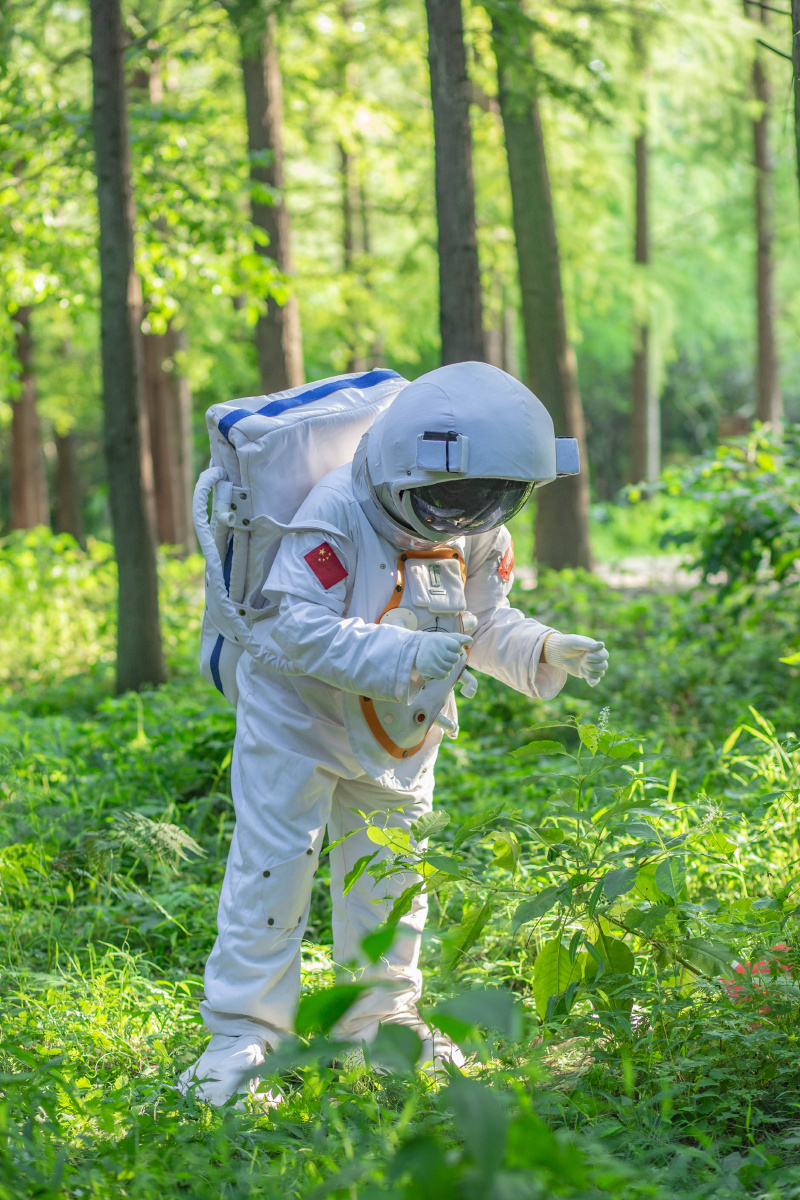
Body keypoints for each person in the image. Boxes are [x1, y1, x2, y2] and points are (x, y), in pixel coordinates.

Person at [178, 362, 608, 1106]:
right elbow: (296, 626)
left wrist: (540, 647)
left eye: (488, 503)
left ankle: (380, 1021)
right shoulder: (337, 511)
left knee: (392, 878)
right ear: (405, 470)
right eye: (451, 502)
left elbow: (483, 620)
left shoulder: (474, 524)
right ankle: (243, 1036)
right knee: (274, 872)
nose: (463, 519)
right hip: (298, 719)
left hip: (402, 730)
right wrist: (406, 654)